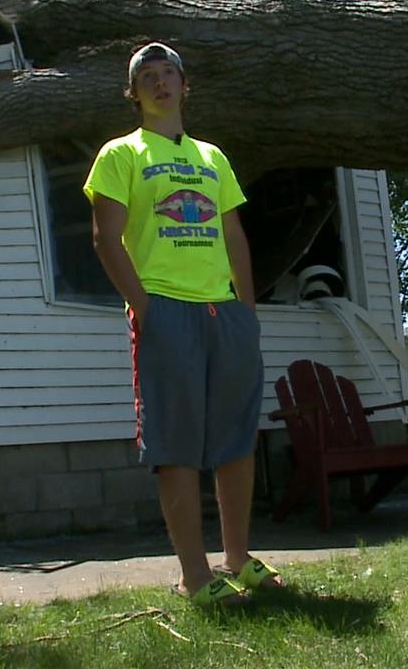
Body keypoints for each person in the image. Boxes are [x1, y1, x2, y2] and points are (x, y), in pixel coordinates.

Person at [84, 42, 280, 606]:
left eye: (169, 73)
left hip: (226, 312)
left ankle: (237, 560)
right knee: (176, 445)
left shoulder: (213, 157)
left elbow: (234, 236)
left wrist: (247, 310)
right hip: (166, 310)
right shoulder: (121, 154)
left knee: (235, 439)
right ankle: (195, 577)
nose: (160, 83)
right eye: (147, 77)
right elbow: (105, 238)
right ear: (135, 93)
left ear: (185, 85)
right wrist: (146, 309)